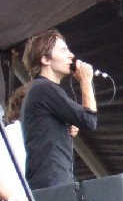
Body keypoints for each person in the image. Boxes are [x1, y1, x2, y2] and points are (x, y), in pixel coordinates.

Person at [21, 29, 97, 190]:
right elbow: (89, 120)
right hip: (52, 184)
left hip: (51, 183)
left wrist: (63, 127)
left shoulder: (41, 90)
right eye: (63, 50)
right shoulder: (45, 89)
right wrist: (85, 81)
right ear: (45, 59)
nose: (71, 55)